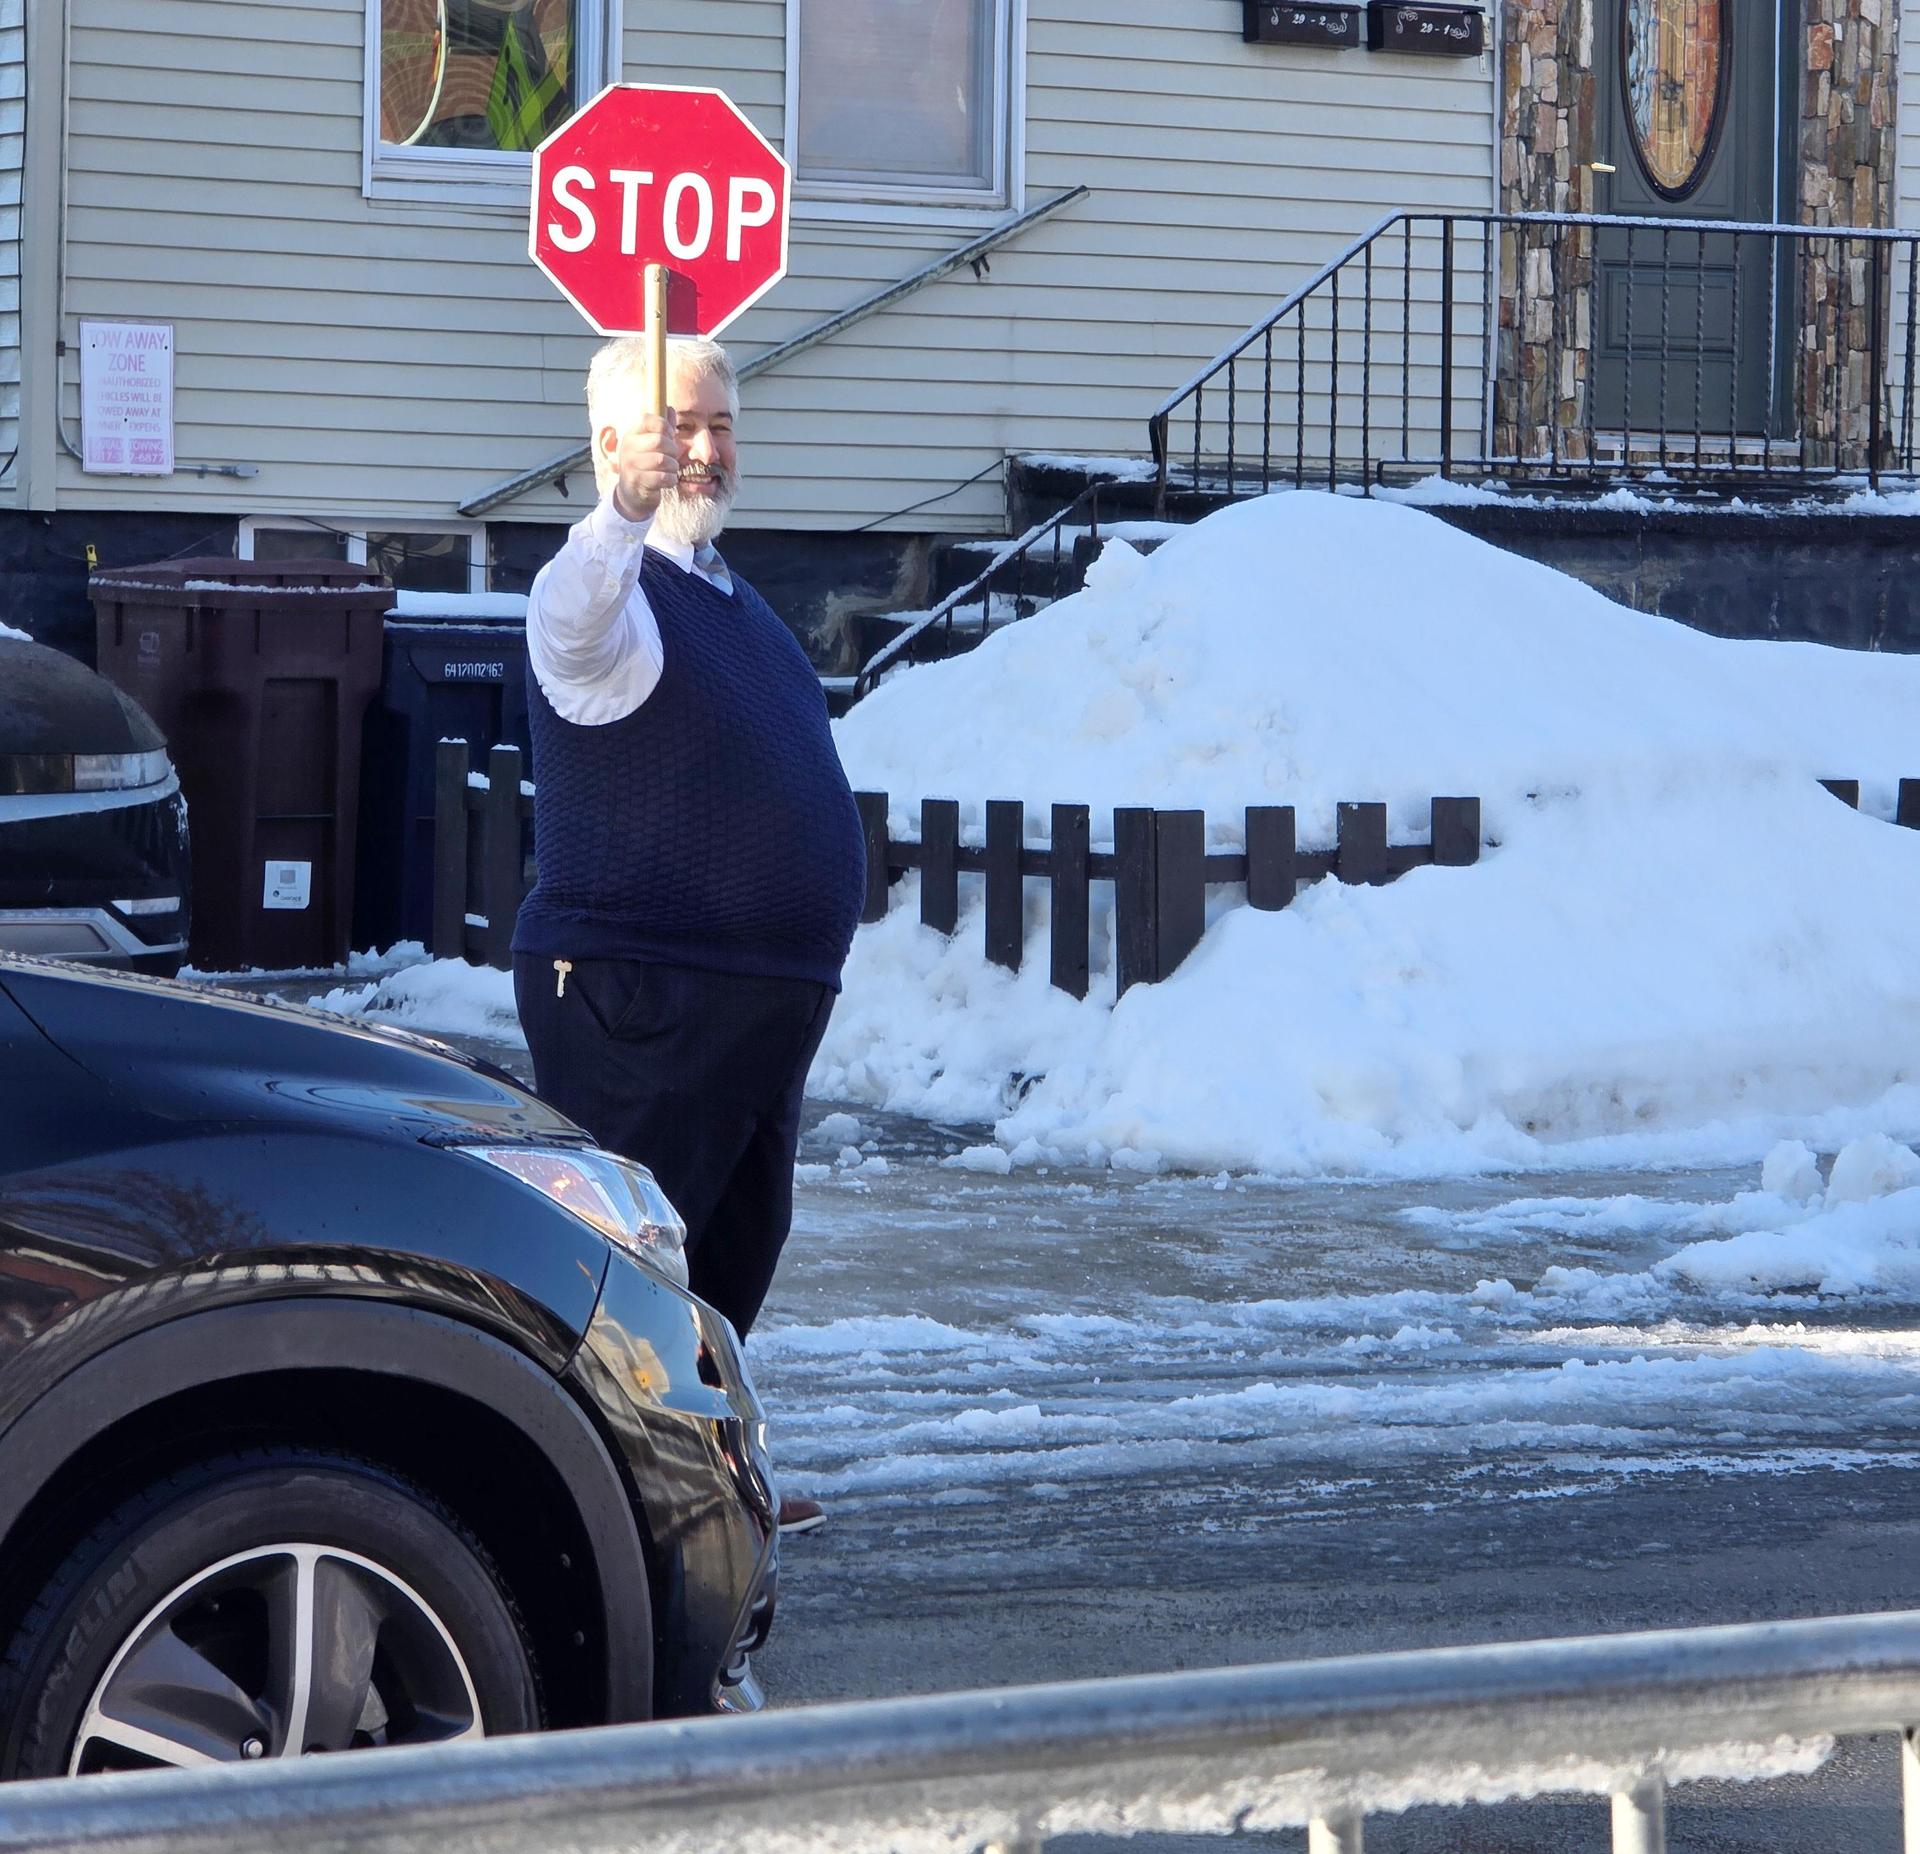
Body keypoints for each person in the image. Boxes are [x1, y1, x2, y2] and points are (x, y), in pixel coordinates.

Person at [512, 335, 866, 1534]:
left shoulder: (736, 601)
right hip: (644, 998)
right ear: (615, 445)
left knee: (725, 1264)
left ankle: (700, 1498)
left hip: (758, 1005)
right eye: (678, 425)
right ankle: (579, 1516)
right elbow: (566, 616)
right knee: (624, 1284)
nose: (702, 448)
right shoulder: (609, 598)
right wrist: (619, 512)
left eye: (719, 425)